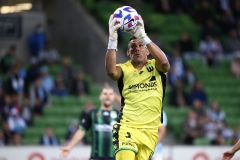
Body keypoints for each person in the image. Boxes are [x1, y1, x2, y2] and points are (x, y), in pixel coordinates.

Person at [105, 14, 170, 160]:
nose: (137, 48)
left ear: (148, 51)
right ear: (128, 53)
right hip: (127, 126)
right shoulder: (124, 69)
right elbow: (111, 72)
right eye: (133, 46)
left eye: (141, 46)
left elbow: (165, 64)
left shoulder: (156, 66)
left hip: (151, 131)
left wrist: (143, 36)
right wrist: (112, 39)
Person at [61, 86, 119, 160]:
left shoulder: (119, 115)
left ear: (114, 97)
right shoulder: (92, 113)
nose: (108, 96)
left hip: (114, 157)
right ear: (100, 96)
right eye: (105, 93)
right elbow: (82, 130)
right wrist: (70, 146)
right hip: (96, 157)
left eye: (110, 94)